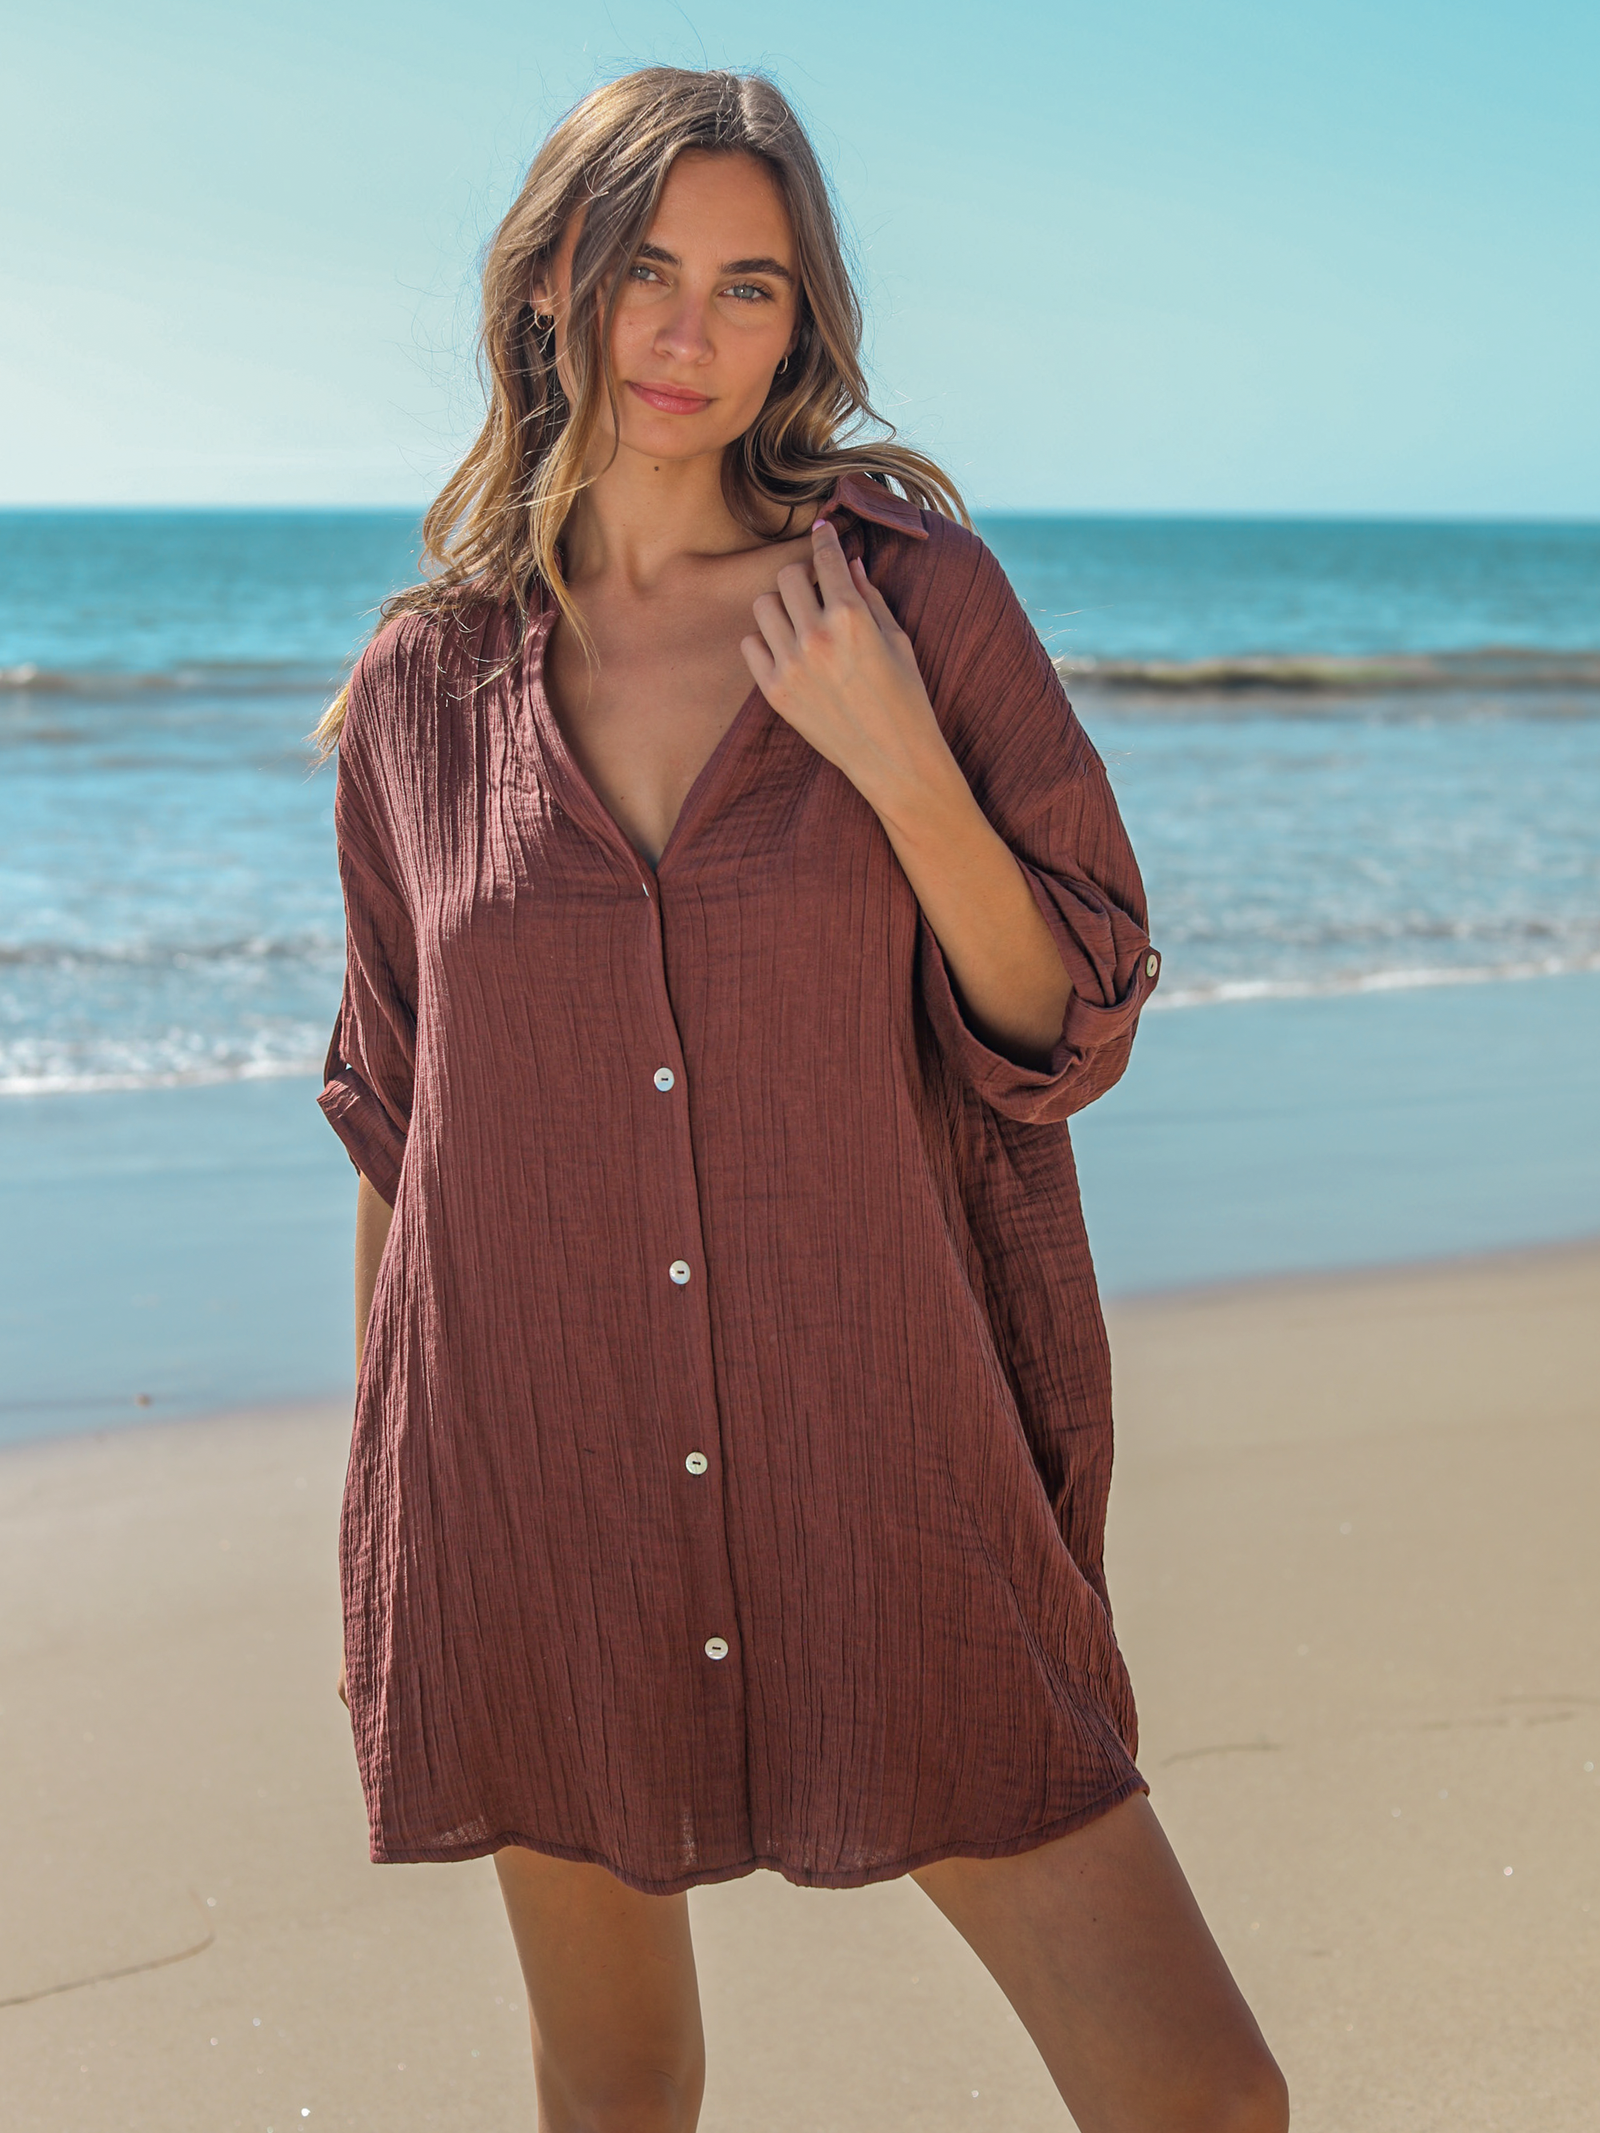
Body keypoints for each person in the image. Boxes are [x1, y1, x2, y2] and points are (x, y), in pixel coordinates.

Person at [313, 65, 1288, 2133]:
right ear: (553, 284)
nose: (689, 331)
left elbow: (1066, 1017)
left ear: (799, 322)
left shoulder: (906, 596)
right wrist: (400, 1531)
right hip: (536, 1486)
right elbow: (402, 1127)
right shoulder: (423, 691)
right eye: (645, 270)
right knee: (618, 2087)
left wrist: (894, 755)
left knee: (1200, 2096)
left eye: (748, 286)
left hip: (882, 1455)